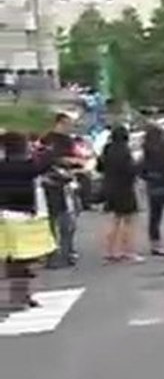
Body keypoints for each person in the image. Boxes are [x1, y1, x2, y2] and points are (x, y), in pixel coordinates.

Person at [0, 131, 57, 311]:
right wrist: (45, 149)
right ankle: (20, 298)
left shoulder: (3, 165)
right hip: (20, 215)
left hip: (5, 215)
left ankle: (21, 296)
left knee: (13, 258)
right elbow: (45, 163)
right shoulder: (26, 165)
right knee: (22, 259)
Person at [39, 113, 84, 269]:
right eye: (68, 124)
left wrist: (76, 162)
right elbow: (46, 158)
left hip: (67, 183)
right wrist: (67, 161)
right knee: (54, 221)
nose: (70, 127)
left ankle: (67, 252)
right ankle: (53, 253)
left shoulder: (69, 140)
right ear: (60, 123)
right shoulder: (47, 139)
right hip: (52, 185)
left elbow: (78, 158)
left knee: (69, 221)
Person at [98, 125, 142, 263]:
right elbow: (130, 170)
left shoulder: (107, 149)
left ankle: (110, 250)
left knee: (114, 220)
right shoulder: (125, 151)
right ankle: (127, 251)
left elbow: (99, 167)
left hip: (109, 187)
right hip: (125, 188)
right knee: (128, 220)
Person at [141, 125, 164, 256]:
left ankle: (155, 244)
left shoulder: (146, 149)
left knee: (154, 216)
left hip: (152, 185)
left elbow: (142, 169)